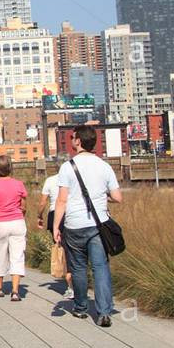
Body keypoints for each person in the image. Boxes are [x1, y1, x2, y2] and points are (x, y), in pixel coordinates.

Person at [53, 125, 123, 326]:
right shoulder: (104, 166)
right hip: (98, 224)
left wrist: (56, 226)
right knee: (100, 267)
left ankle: (81, 307)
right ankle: (104, 312)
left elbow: (61, 200)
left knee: (78, 268)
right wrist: (102, 197)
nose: (71, 139)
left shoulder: (68, 167)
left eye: (73, 137)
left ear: (78, 141)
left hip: (74, 225)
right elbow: (118, 197)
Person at [0, 155, 28, 301]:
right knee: (17, 256)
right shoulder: (19, 184)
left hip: (1, 224)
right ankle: (15, 291)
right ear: (11, 167)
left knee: (0, 255)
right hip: (17, 222)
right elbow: (23, 206)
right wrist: (20, 213)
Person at [36, 163, 71, 294]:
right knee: (71, 250)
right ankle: (72, 282)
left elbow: (42, 202)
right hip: (70, 213)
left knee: (61, 248)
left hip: (54, 214)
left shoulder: (50, 180)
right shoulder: (73, 178)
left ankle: (69, 281)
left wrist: (39, 216)